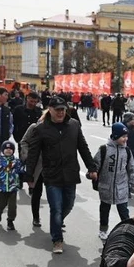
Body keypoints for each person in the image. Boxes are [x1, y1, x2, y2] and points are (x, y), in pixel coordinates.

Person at [22, 96, 97, 254]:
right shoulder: (41, 129)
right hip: (51, 175)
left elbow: (83, 147)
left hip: (70, 173)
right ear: (50, 110)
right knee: (55, 208)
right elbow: (34, 154)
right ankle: (57, 240)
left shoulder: (74, 125)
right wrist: (29, 176)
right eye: (58, 110)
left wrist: (91, 166)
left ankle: (56, 223)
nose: (61, 112)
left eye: (63, 109)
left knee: (68, 205)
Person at [94, 122, 134, 241]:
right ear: (115, 136)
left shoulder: (127, 151)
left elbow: (131, 169)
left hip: (122, 187)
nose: (125, 139)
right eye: (123, 136)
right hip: (106, 187)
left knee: (124, 211)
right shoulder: (104, 149)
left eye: (126, 136)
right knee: (104, 209)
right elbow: (95, 165)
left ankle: (127, 231)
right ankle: (103, 230)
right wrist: (91, 173)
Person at [0, 140, 25, 231]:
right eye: (6, 149)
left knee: (12, 206)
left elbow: (21, 170)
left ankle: (10, 221)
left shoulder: (16, 161)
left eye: (10, 149)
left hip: (12, 187)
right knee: (1, 204)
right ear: (2, 150)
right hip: (1, 188)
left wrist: (25, 165)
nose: (8, 150)